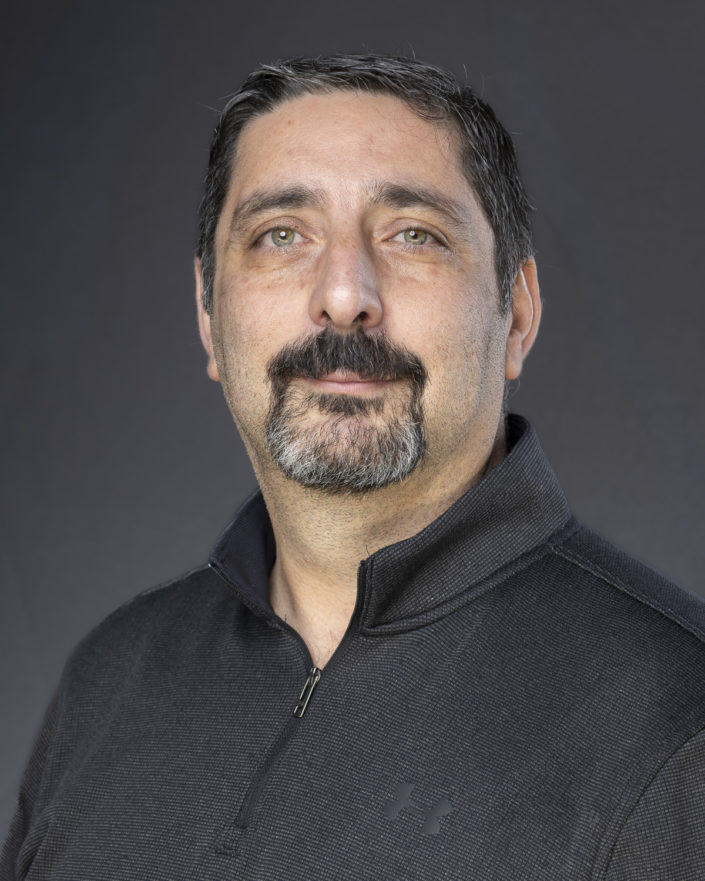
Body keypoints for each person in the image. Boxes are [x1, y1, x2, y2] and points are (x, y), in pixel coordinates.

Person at [2, 54, 704, 881]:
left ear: (515, 314)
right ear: (207, 314)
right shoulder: (111, 681)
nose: (343, 295)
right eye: (280, 234)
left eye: (414, 233)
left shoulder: (675, 727)